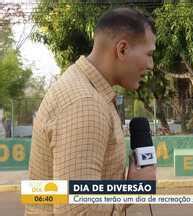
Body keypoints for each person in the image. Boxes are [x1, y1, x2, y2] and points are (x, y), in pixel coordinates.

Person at [26, 7, 156, 215]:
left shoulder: (91, 91)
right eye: (149, 54)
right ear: (122, 50)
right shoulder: (85, 104)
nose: (151, 64)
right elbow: (78, 209)